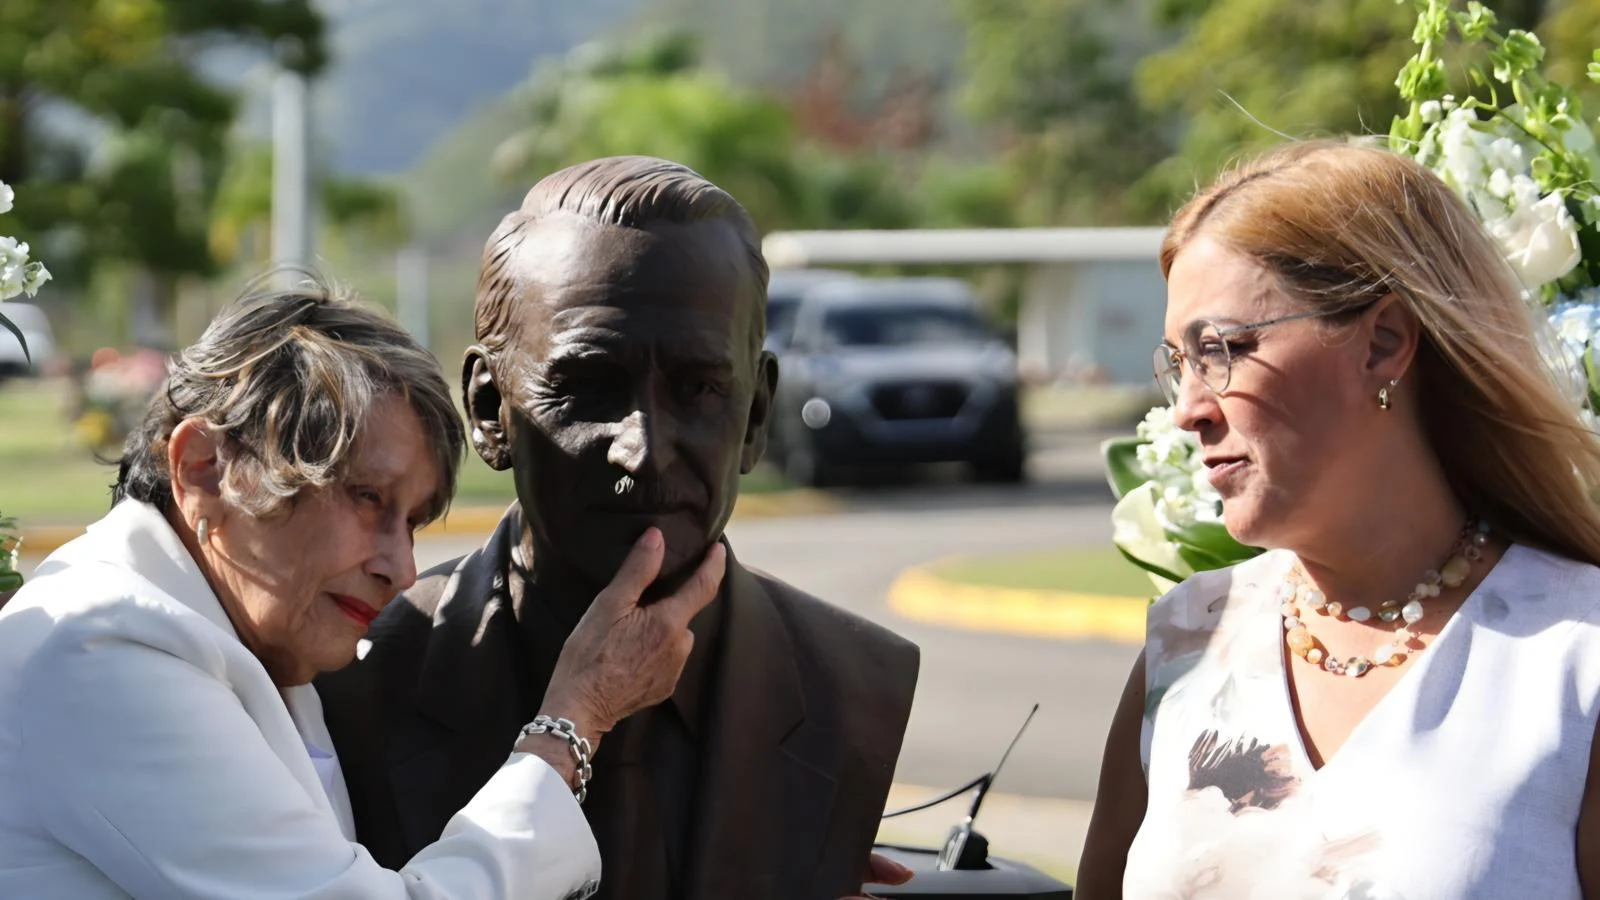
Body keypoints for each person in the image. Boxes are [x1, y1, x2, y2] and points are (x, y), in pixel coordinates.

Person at [314, 156, 922, 900]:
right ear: (489, 410)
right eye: (588, 388)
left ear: (757, 415)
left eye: (699, 389)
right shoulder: (351, 680)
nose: (645, 448)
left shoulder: (849, 684)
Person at [0, 278, 725, 899]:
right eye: (367, 496)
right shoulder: (99, 647)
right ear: (204, 469)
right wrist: (573, 722)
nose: (400, 569)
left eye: (411, 522)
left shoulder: (226, 637)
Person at [1076, 139, 1600, 899]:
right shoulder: (1185, 643)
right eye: (1179, 365)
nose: (1188, 409)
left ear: (1384, 342)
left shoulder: (1575, 659)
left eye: (1221, 350)